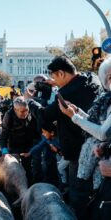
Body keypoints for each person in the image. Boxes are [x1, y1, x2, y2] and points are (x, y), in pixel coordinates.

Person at [25, 56, 103, 220]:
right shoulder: (92, 79)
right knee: (96, 193)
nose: (54, 81)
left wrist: (31, 101)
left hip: (77, 151)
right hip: (97, 148)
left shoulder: (67, 94)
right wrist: (54, 83)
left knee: (78, 194)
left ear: (61, 73)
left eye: (54, 77)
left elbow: (45, 115)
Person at [0, 96, 40, 184]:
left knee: (28, 167)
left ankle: (29, 186)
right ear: (15, 109)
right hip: (14, 145)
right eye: (22, 111)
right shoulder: (8, 116)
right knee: (14, 169)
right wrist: (4, 151)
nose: (25, 113)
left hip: (29, 143)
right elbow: (3, 136)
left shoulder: (32, 112)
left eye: (26, 110)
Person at [20, 121, 60, 187]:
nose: (43, 134)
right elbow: (39, 145)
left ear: (52, 133)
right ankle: (54, 183)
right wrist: (29, 153)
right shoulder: (47, 138)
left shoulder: (60, 139)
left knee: (60, 169)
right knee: (57, 168)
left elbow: (64, 151)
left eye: (44, 132)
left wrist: (58, 150)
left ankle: (62, 185)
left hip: (65, 157)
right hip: (59, 155)